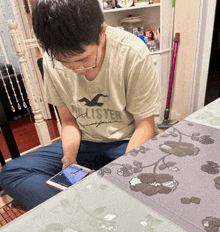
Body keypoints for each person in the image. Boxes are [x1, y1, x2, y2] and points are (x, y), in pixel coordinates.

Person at [0, 0, 161, 209]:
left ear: (102, 32)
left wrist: (123, 170)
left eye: (84, 59)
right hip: (85, 142)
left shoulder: (132, 52)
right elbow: (68, 122)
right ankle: (89, 207)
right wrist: (69, 158)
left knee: (159, 184)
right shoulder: (51, 60)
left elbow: (145, 126)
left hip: (127, 143)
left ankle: (81, 208)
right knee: (13, 172)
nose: (78, 70)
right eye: (66, 63)